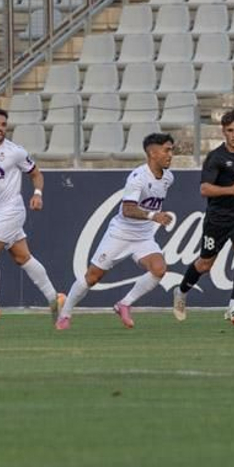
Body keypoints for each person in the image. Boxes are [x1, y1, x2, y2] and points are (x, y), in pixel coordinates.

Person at [55, 132, 177, 331]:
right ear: (152, 153)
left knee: (159, 269)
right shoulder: (137, 178)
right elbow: (128, 209)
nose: (170, 154)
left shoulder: (168, 177)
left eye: (171, 150)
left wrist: (154, 217)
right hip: (120, 234)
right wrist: (153, 216)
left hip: (143, 237)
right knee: (92, 277)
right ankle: (65, 314)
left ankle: (124, 304)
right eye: (167, 150)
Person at [0, 108, 65, 324]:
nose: (0, 128)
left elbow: (36, 174)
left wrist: (38, 194)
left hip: (12, 210)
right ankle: (55, 298)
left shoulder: (15, 151)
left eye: (3, 125)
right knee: (22, 257)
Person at [174, 110, 234, 320]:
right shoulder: (216, 158)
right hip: (218, 218)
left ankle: (233, 308)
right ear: (223, 132)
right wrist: (232, 190)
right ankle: (182, 291)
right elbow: (204, 189)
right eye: (230, 131)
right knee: (205, 264)